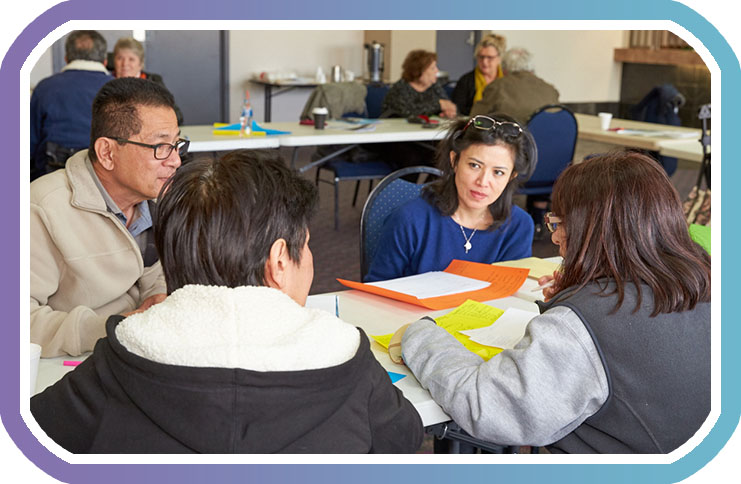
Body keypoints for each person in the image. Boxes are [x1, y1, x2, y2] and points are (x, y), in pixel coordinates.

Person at [31, 149, 424, 454]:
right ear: (280, 261)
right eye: (308, 245)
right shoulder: (347, 360)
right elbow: (403, 441)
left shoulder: (118, 361)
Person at [393, 151, 711, 453]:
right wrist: (578, 295)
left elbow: (487, 406)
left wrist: (419, 335)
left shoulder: (586, 325)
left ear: (593, 231)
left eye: (559, 224)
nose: (556, 238)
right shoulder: (708, 282)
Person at [30, 78, 184, 357]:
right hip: (70, 364)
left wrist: (156, 296)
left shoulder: (152, 198)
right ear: (107, 153)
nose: (175, 161)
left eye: (177, 144)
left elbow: (154, 269)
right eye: (161, 147)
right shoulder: (40, 209)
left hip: (134, 354)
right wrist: (109, 329)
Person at [364, 113, 536, 282]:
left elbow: (510, 296)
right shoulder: (409, 219)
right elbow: (376, 291)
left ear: (512, 176)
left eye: (498, 172)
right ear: (454, 161)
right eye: (474, 165)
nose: (483, 182)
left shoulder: (519, 226)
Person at [30, 30, 112, 180]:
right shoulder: (119, 89)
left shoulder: (44, 88)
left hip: (49, 179)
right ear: (105, 60)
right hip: (104, 181)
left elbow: (29, 145)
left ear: (66, 58)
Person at [470, 47, 560, 125]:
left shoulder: (497, 87)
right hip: (552, 143)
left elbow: (476, 120)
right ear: (532, 69)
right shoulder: (551, 90)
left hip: (514, 142)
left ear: (504, 70)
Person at [112, 37, 184, 124]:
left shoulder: (153, 82)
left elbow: (177, 116)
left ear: (140, 64)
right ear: (114, 61)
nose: (125, 64)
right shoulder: (105, 82)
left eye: (131, 59)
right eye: (120, 58)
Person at [380, 49, 457, 119]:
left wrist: (448, 112)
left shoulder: (434, 86)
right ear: (418, 71)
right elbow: (408, 113)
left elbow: (449, 105)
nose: (437, 71)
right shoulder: (400, 88)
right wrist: (439, 105)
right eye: (433, 68)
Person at [451, 33, 507, 116]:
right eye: (481, 57)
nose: (484, 61)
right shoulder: (466, 80)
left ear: (499, 58)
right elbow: (457, 109)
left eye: (489, 57)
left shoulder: (507, 81)